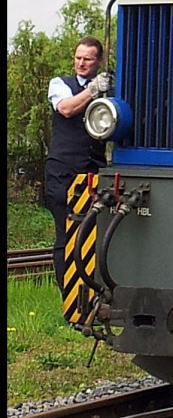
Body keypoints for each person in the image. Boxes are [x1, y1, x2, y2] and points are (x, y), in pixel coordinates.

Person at [44, 36, 113, 288]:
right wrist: (93, 90)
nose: (81, 63)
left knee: (94, 235)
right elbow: (66, 108)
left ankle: (91, 292)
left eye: (88, 59)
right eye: (78, 58)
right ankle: (68, 296)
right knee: (66, 234)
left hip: (93, 173)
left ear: (99, 61)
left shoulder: (110, 90)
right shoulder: (60, 84)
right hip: (62, 173)